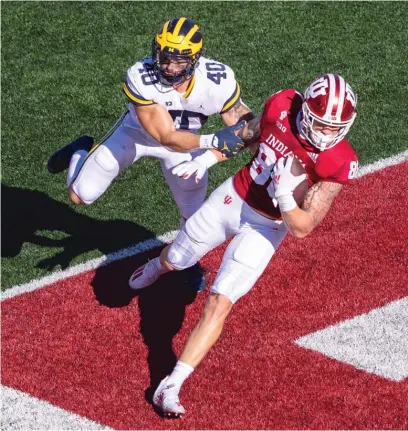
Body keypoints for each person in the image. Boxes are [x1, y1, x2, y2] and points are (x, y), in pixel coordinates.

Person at [128, 73, 359, 417]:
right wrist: (210, 156)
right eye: (321, 125)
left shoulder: (339, 159)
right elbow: (245, 135)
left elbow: (303, 227)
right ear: (306, 112)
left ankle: (171, 384)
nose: (328, 133)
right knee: (177, 258)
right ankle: (157, 266)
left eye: (334, 127)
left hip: (269, 228)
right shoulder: (282, 106)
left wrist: (284, 194)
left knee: (221, 301)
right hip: (235, 197)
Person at [47, 17, 252, 224]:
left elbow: (248, 129)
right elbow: (166, 136)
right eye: (164, 58)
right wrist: (213, 141)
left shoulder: (217, 80)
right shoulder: (141, 76)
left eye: (179, 61)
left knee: (193, 217)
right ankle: (80, 150)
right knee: (80, 195)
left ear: (195, 59)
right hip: (136, 133)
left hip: (186, 144)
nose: (170, 68)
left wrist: (264, 155)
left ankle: (180, 256)